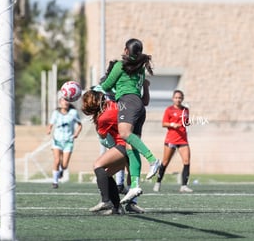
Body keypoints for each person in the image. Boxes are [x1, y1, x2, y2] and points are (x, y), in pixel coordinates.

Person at [97, 38, 161, 204]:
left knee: (125, 134)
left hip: (127, 103)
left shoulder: (120, 65)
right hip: (139, 105)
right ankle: (134, 185)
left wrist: (106, 85)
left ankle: (153, 160)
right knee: (131, 146)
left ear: (126, 50)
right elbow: (142, 97)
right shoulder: (140, 67)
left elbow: (106, 86)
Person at [81, 89, 145, 214]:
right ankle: (117, 208)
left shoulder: (104, 117)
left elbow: (103, 136)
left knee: (97, 165)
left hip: (124, 145)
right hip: (130, 145)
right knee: (106, 174)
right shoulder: (112, 104)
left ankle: (106, 201)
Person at [153, 90, 193, 193]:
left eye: (180, 98)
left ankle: (184, 185)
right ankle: (158, 183)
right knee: (165, 162)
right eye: (176, 97)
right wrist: (172, 125)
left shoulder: (186, 110)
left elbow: (186, 122)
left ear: (182, 99)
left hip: (183, 140)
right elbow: (164, 123)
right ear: (173, 98)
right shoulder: (169, 110)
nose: (178, 99)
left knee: (186, 161)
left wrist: (188, 123)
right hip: (171, 139)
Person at [47, 96, 82, 189]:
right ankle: (55, 182)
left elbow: (79, 125)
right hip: (57, 140)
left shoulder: (73, 113)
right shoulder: (56, 113)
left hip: (68, 141)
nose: (65, 102)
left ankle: (61, 171)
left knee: (65, 165)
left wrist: (76, 133)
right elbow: (51, 124)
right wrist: (49, 130)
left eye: (67, 100)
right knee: (57, 160)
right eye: (63, 100)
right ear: (60, 102)